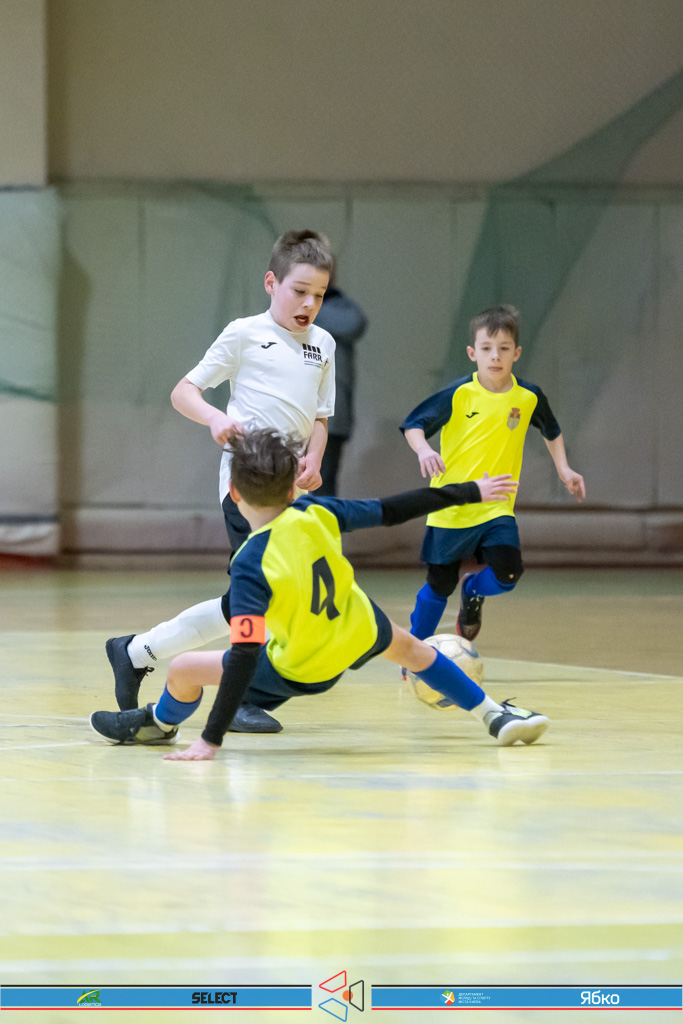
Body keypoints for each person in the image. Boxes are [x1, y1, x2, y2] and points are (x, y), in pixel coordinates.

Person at [90, 429, 550, 760]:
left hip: (303, 666)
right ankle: (495, 715)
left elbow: (245, 653)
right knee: (413, 649)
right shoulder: (317, 510)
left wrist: (211, 738)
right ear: (294, 486)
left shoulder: (249, 563)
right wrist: (470, 491)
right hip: (357, 630)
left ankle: (159, 725)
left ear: (233, 493)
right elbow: (393, 509)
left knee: (184, 669)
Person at [106, 230, 335, 734]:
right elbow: (183, 391)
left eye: (319, 295)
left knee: (253, 598)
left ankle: (137, 651)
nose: (309, 304)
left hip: (292, 492)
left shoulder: (323, 344)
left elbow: (320, 416)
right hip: (247, 486)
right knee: (263, 592)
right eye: (299, 291)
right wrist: (214, 418)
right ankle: (243, 696)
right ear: (271, 283)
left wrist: (315, 458)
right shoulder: (244, 333)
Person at [401, 305, 585, 646]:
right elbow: (414, 424)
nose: (495, 356)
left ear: (517, 353)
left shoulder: (528, 397)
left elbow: (551, 429)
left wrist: (564, 468)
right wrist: (424, 450)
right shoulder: (459, 393)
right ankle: (414, 651)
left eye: (503, 348)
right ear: (473, 353)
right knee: (439, 585)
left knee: (509, 573)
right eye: (486, 348)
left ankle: (473, 590)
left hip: (496, 505)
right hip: (451, 506)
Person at [316, 272, 368, 496]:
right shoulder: (282, 309)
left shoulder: (341, 309)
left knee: (320, 485)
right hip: (290, 414)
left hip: (330, 415)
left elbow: (354, 323)